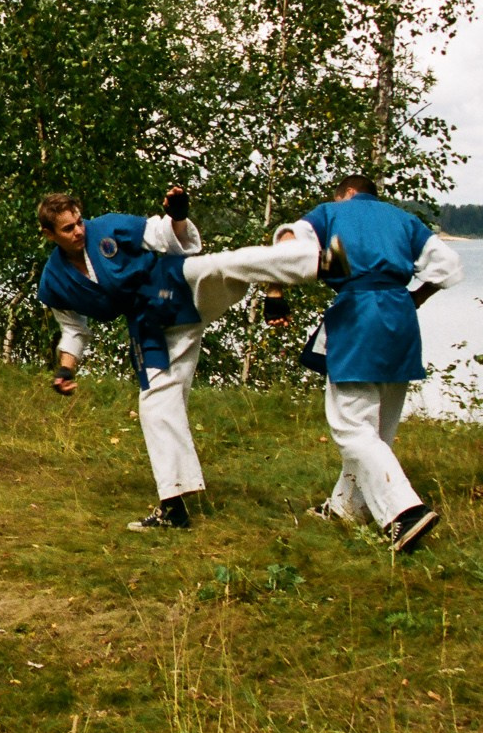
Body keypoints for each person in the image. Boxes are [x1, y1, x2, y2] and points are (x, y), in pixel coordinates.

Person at [37, 187, 321, 532]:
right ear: (49, 234)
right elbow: (73, 331)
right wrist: (66, 369)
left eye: (80, 222)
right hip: (152, 327)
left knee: (221, 264)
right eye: (68, 228)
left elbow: (162, 234)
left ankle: (314, 260)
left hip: (176, 284)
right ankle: (173, 508)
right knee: (156, 406)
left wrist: (178, 217)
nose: (79, 231)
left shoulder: (109, 227)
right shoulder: (54, 281)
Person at [299, 175, 462, 553]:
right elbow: (448, 264)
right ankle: (346, 508)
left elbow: (296, 245)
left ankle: (405, 512)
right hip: (401, 317)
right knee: (378, 430)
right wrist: (417, 296)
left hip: (359, 315)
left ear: (347, 193)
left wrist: (281, 284)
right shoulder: (404, 220)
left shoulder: (331, 213)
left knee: (352, 428)